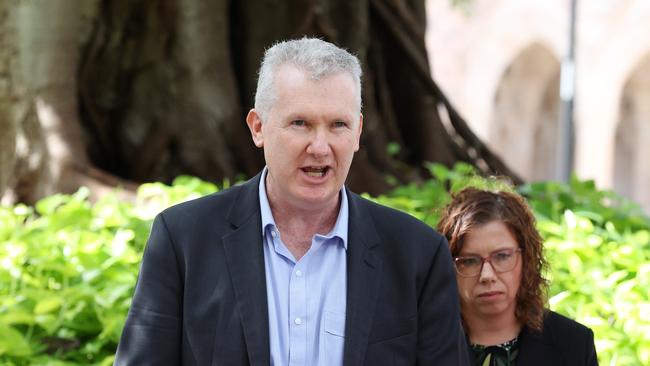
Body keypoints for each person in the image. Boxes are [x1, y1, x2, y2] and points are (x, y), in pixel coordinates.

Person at [115, 37, 468, 365]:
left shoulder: (417, 254)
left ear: (358, 133)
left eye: (338, 125)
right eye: (300, 123)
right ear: (258, 128)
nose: (319, 146)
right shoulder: (183, 240)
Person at [437, 187, 598, 365]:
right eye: (469, 261)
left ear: (526, 258)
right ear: (448, 265)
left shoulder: (573, 344)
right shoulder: (423, 342)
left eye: (502, 256)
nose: (487, 275)